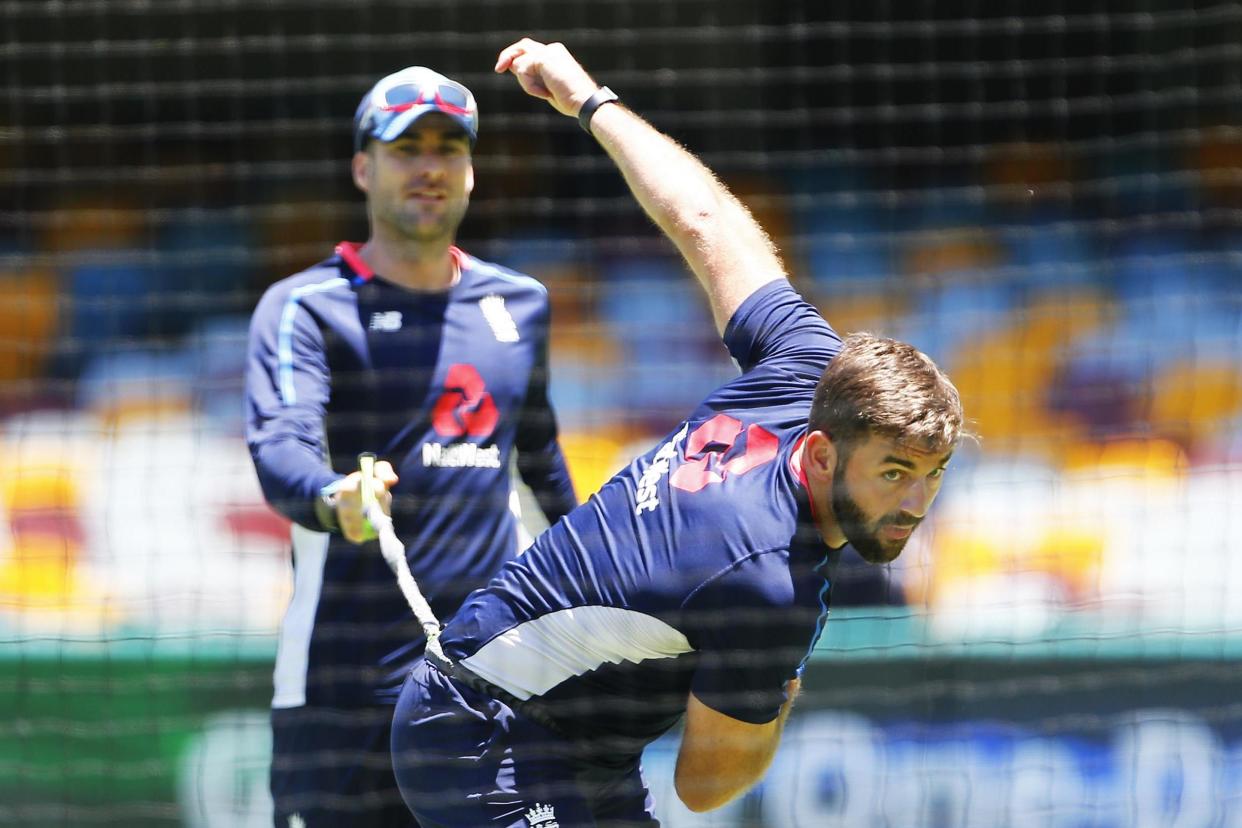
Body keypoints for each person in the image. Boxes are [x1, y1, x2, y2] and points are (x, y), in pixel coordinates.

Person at [389, 39, 966, 827]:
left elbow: (706, 220)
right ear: (824, 452)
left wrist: (590, 100)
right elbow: (706, 784)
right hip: (484, 736)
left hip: (580, 746)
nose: (916, 502)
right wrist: (783, 690)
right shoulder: (768, 582)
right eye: (894, 472)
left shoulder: (808, 369)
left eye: (933, 474)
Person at [246, 64, 578, 827]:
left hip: (488, 685)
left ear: (471, 168)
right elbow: (280, 448)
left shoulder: (519, 304)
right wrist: (337, 499)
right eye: (406, 148)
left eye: (449, 147)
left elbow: (545, 467)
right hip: (342, 699)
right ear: (363, 167)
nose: (429, 166)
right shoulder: (305, 308)